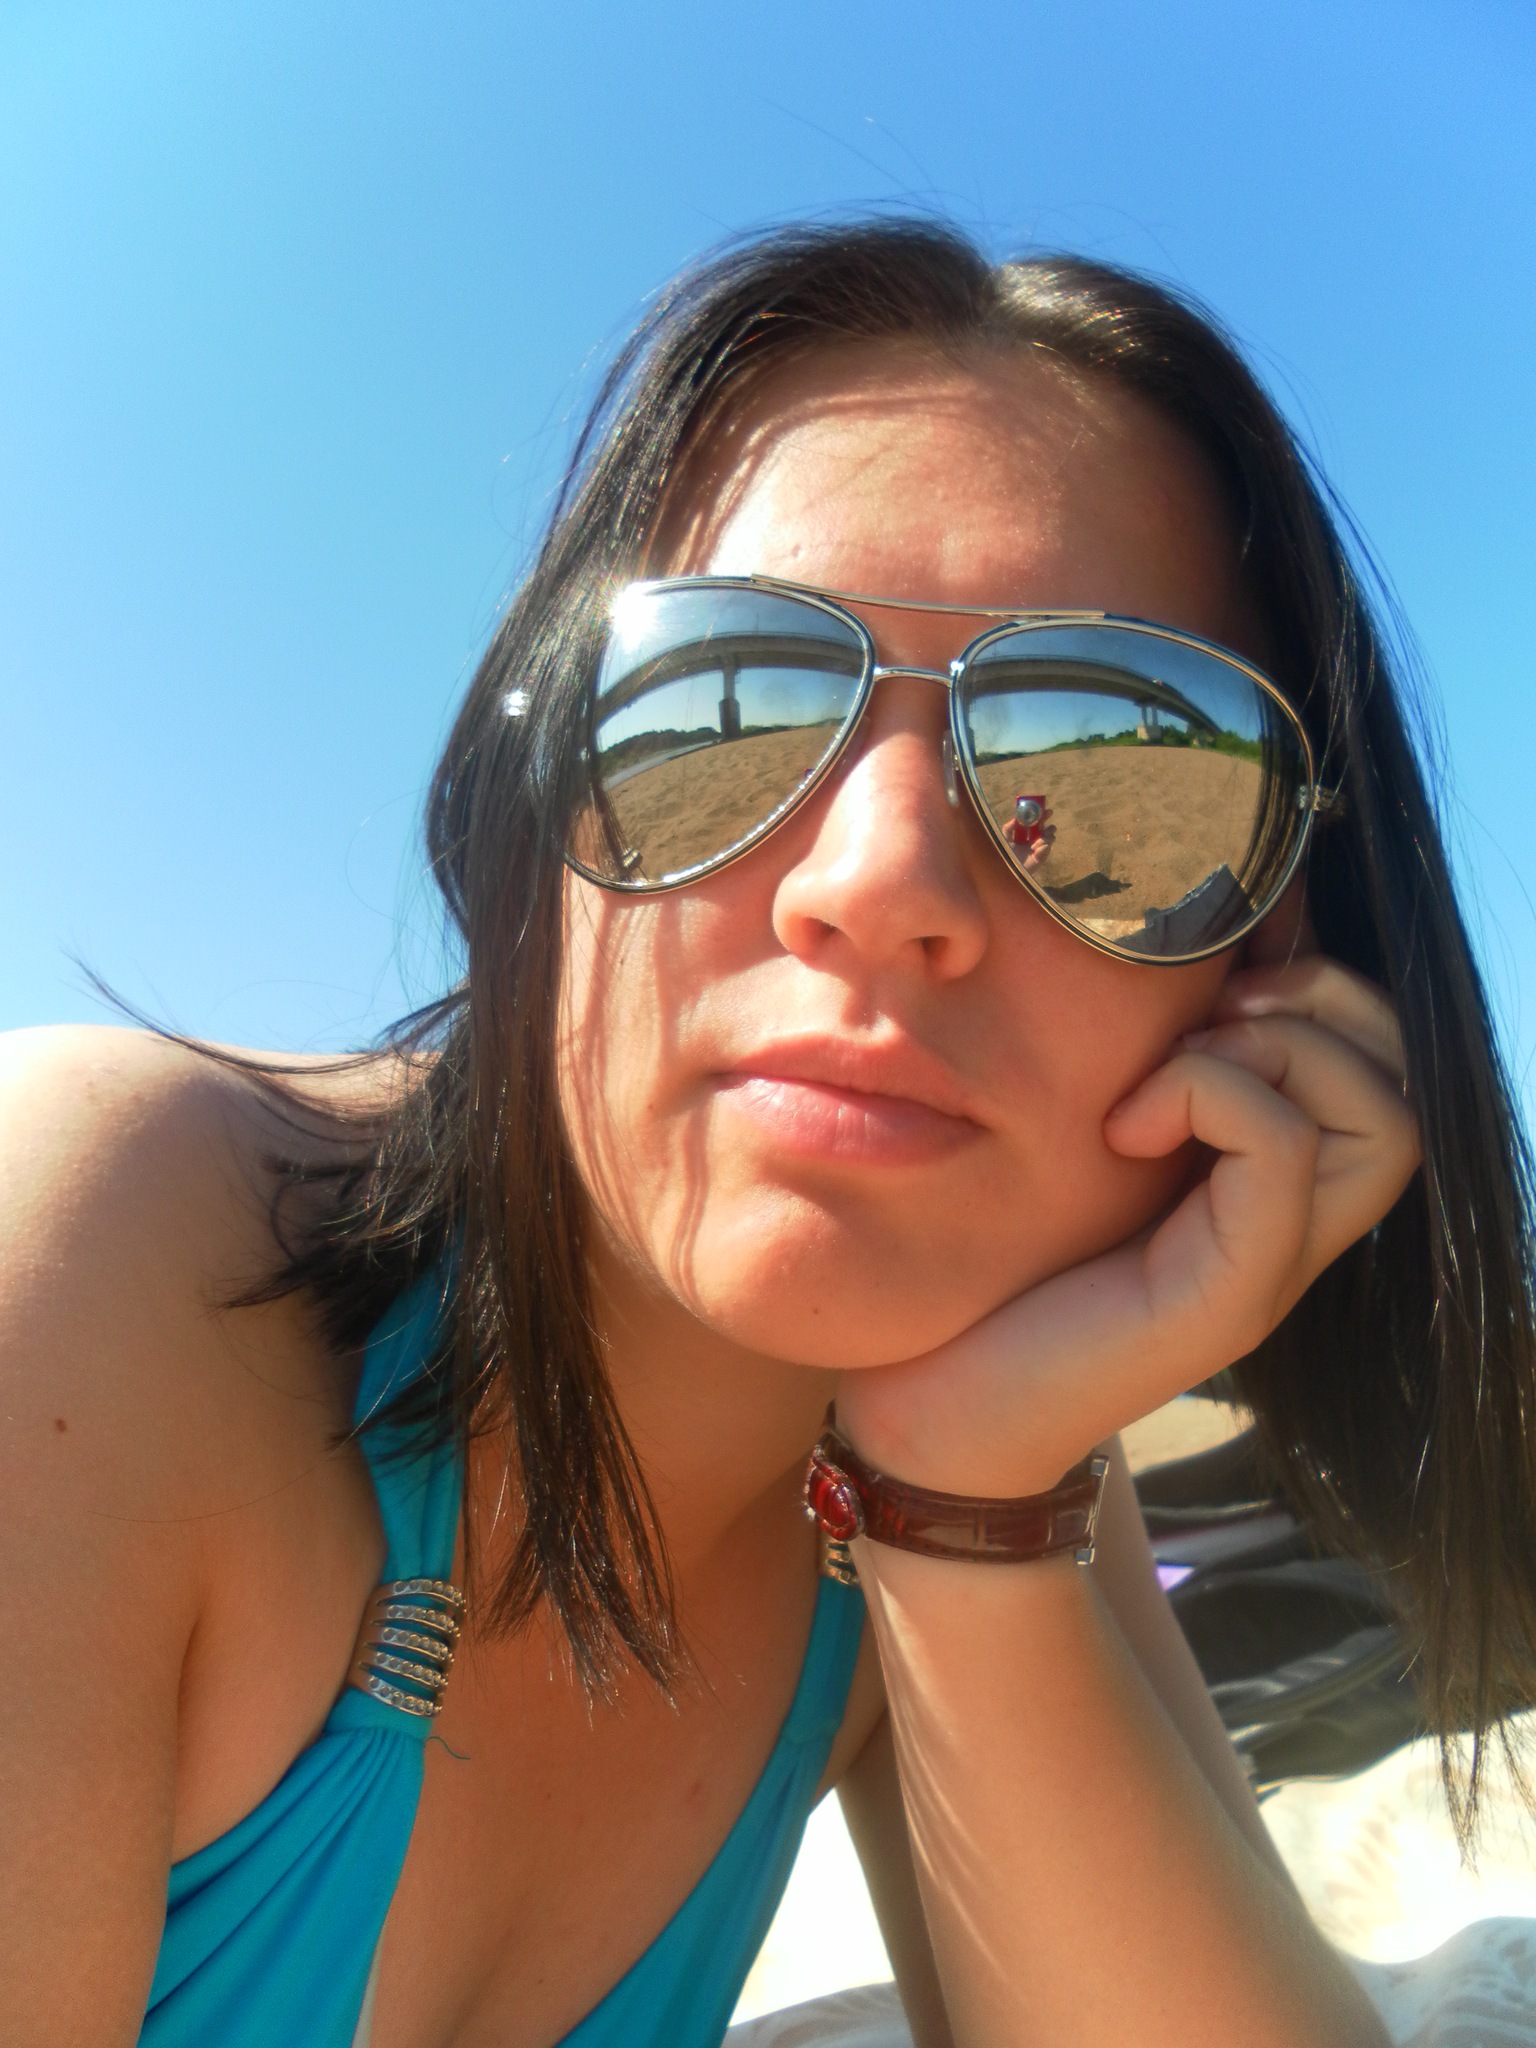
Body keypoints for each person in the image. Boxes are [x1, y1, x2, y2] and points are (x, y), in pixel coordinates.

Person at [4, 219, 1534, 2048]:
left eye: (1121, 767)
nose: (879, 882)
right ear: (532, 813)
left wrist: (964, 1496)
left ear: (1271, 956)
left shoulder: (971, 1461)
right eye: (716, 709)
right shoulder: (99, 1252)